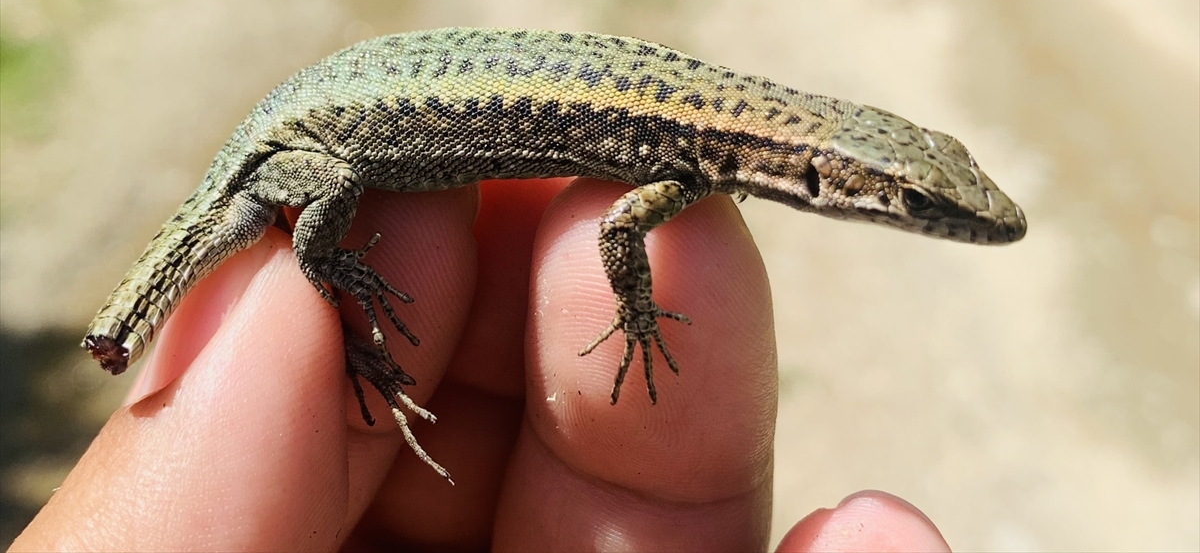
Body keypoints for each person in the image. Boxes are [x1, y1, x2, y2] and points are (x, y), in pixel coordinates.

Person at [12, 179, 949, 552]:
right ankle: (284, 273)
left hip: (363, 108)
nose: (930, 219)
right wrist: (632, 308)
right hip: (340, 130)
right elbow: (621, 223)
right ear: (835, 183)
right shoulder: (696, 164)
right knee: (320, 227)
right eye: (912, 204)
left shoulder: (706, 158)